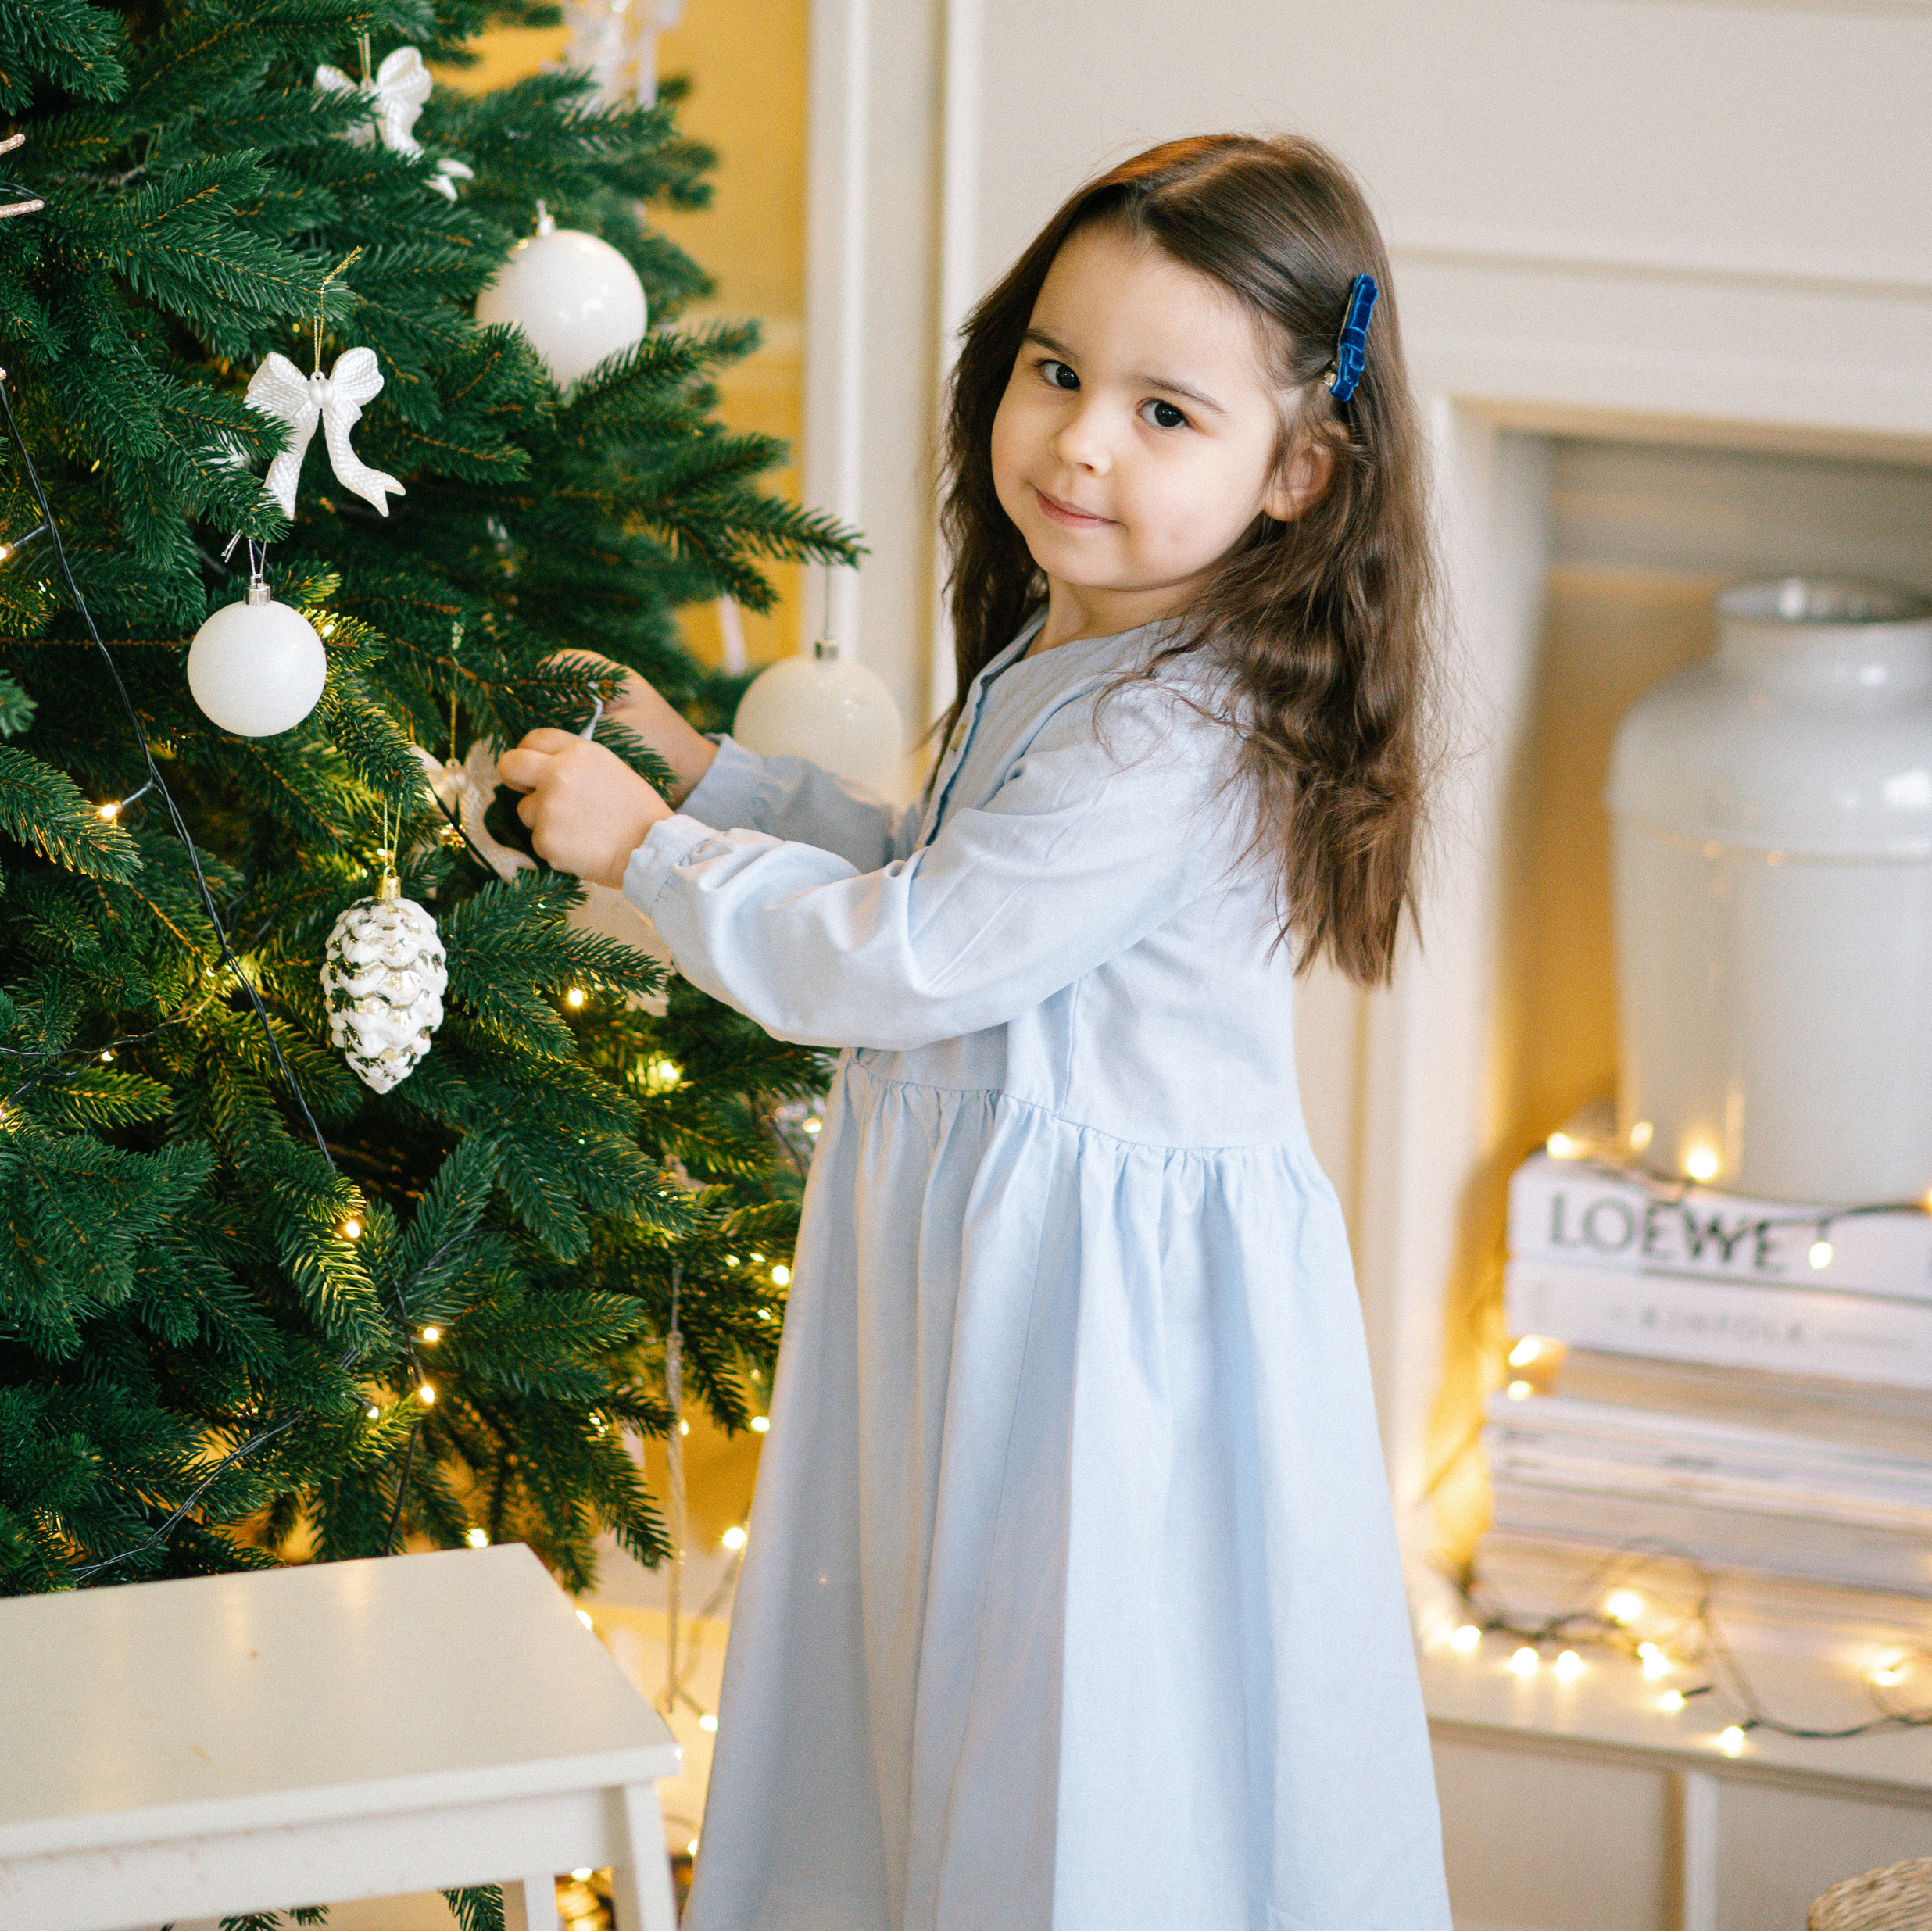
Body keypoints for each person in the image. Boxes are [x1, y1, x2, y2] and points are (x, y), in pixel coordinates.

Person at [499, 131, 1453, 1931]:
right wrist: (719, 781)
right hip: (984, 1271)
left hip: (1096, 1323)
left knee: (1074, 1727)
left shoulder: (1176, 726)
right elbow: (941, 868)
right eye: (1056, 370)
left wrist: (653, 849)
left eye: (1167, 413)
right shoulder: (1074, 651)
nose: (1080, 438)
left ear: (1297, 472)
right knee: (932, 1686)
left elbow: (917, 957)